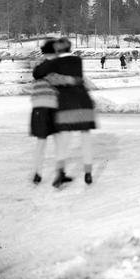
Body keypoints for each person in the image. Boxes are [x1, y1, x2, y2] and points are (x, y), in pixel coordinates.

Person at [33, 38, 97, 186]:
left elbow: (37, 73)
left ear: (57, 49)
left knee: (64, 141)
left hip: (66, 106)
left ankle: (60, 172)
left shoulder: (54, 63)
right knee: (86, 138)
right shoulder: (78, 60)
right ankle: (88, 173)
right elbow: (80, 80)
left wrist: (48, 64)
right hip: (84, 103)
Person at [30, 40, 63, 185]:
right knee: (58, 140)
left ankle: (37, 173)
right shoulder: (55, 65)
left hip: (39, 106)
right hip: (52, 106)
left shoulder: (38, 65)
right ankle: (59, 173)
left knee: (41, 142)